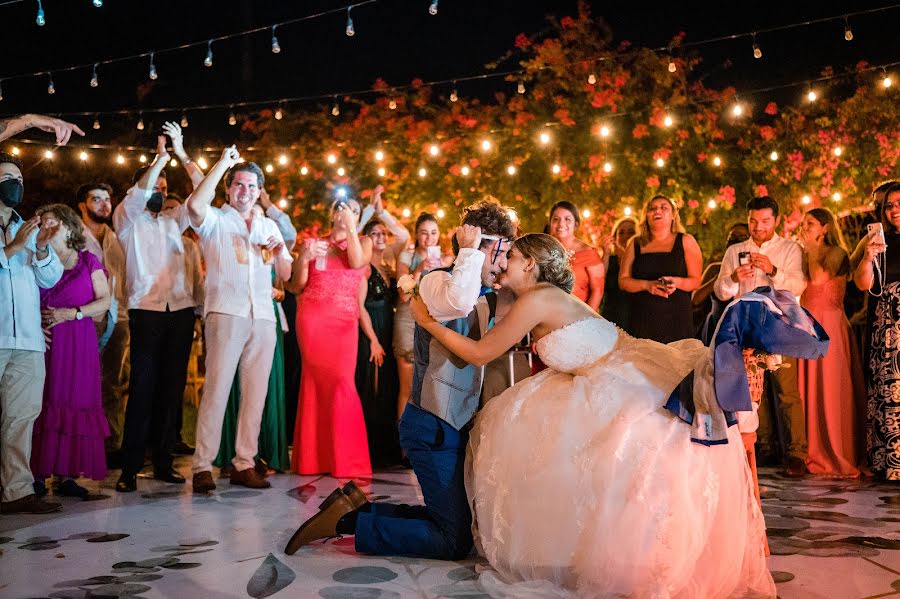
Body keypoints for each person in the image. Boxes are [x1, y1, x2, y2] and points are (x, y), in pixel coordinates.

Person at [415, 234, 774, 597]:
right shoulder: (543, 297)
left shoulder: (538, 299)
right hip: (614, 369)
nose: (503, 261)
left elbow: (480, 353)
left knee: (590, 450)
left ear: (529, 264)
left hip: (618, 378)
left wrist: (427, 322)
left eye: (510, 255)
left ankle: (627, 560)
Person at [285, 200, 517, 558]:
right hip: (432, 425)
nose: (503, 265)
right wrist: (469, 251)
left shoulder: (486, 290)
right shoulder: (436, 282)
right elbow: (459, 302)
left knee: (452, 520)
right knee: (452, 541)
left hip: (454, 426)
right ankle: (349, 525)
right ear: (480, 245)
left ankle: (354, 510)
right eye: (500, 253)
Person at [187, 146, 292, 493]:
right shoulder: (216, 220)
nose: (244, 191)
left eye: (251, 186)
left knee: (256, 393)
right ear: (229, 189)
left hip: (262, 315)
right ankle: (202, 465)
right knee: (217, 389)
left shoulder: (268, 224)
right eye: (239, 185)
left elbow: (287, 273)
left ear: (260, 191)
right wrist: (222, 165)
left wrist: (279, 253)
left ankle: (244, 463)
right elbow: (194, 206)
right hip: (226, 312)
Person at [0, 114, 82, 515]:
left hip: (28, 340)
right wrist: (11, 249)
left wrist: (44, 249)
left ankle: (15, 491)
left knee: (20, 418)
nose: (15, 184)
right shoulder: (16, 234)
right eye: (6, 177)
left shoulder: (27, 225)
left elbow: (49, 279)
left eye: (18, 178)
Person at [112, 136, 200, 493]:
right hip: (146, 311)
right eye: (155, 185)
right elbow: (139, 194)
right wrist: (160, 160)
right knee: (143, 388)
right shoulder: (128, 221)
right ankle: (130, 468)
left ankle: (164, 463)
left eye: (165, 188)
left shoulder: (172, 221)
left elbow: (199, 199)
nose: (160, 191)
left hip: (179, 312)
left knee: (171, 389)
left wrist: (182, 154)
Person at [715, 195, 807, 475]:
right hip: (746, 325)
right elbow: (720, 290)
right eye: (753, 221)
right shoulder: (736, 251)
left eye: (765, 221)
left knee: (786, 390)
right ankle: (762, 446)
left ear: (776, 220)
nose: (758, 226)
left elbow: (799, 286)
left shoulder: (789, 248)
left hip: (781, 324)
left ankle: (796, 452)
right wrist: (733, 279)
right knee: (753, 391)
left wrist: (772, 270)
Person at [287, 194, 373, 477]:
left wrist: (350, 229)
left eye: (353, 210)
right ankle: (312, 460)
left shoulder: (363, 243)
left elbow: (358, 262)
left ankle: (346, 460)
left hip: (344, 323)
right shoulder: (313, 243)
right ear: (332, 213)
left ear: (358, 217)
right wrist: (303, 259)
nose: (345, 211)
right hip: (312, 319)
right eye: (341, 207)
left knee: (341, 381)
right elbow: (297, 286)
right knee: (313, 382)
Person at [30, 205, 110, 498]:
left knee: (74, 402)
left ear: (68, 227)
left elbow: (104, 301)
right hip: (45, 343)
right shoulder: (34, 260)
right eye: (41, 224)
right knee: (42, 402)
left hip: (78, 342)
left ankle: (66, 475)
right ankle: (35, 473)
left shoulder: (88, 261)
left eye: (50, 222)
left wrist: (73, 313)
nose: (45, 228)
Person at [215, 191, 297, 475]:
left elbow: (286, 278)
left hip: (266, 317)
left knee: (263, 388)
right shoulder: (226, 232)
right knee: (232, 385)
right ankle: (229, 456)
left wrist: (268, 206)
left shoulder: (272, 235)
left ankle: (259, 455)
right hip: (234, 314)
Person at [797, 207, 865, 477]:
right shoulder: (803, 253)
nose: (805, 227)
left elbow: (818, 278)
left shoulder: (836, 253)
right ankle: (808, 450)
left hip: (829, 326)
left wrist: (810, 247)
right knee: (808, 391)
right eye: (804, 223)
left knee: (831, 388)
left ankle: (837, 450)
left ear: (825, 228)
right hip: (806, 324)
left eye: (810, 223)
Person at [355, 186, 407, 468]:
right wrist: (373, 339)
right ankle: (368, 451)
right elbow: (359, 305)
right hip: (370, 331)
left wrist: (380, 210)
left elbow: (404, 235)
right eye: (374, 233)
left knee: (388, 387)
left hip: (389, 327)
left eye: (382, 234)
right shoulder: (364, 267)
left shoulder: (388, 266)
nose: (381, 237)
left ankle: (387, 450)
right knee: (371, 388)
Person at [76, 183, 129, 455]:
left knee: (113, 382)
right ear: (82, 206)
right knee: (83, 381)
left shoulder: (117, 237)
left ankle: (110, 442)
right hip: (84, 318)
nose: (104, 204)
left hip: (118, 317)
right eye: (96, 199)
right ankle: (82, 443)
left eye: (107, 199)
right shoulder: (73, 238)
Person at [852, 180, 900, 480]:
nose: (895, 210)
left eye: (899, 204)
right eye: (890, 205)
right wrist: (869, 256)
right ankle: (892, 462)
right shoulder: (882, 241)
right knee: (889, 390)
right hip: (889, 325)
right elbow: (862, 284)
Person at [619, 195, 703, 342]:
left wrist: (675, 282)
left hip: (676, 320)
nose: (657, 211)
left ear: (673, 215)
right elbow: (623, 281)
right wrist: (647, 285)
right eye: (652, 208)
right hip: (643, 320)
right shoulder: (635, 243)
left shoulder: (686, 241)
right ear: (646, 215)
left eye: (663, 207)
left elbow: (696, 281)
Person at [393, 212, 448, 419]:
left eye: (433, 233)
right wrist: (419, 268)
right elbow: (404, 295)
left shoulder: (446, 258)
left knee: (431, 386)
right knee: (407, 387)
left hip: (433, 322)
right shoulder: (407, 257)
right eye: (424, 233)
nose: (429, 238)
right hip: (408, 320)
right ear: (416, 235)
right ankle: (403, 446)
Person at [692, 222, 751, 343]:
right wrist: (717, 280)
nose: (736, 240)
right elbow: (696, 299)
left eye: (742, 237)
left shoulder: (753, 269)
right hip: (716, 328)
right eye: (732, 237)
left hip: (743, 328)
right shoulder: (715, 268)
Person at [548, 200, 604, 310]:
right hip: (545, 313)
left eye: (567, 219)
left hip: (576, 315)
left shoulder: (589, 253)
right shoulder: (543, 249)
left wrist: (586, 319)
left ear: (576, 223)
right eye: (556, 219)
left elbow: (597, 291)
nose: (561, 224)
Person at [599, 215, 636, 329]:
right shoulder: (610, 260)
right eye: (621, 233)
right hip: (610, 317)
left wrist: (626, 255)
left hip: (635, 316)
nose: (626, 236)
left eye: (631, 232)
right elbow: (600, 281)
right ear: (615, 237)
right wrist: (605, 254)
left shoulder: (642, 260)